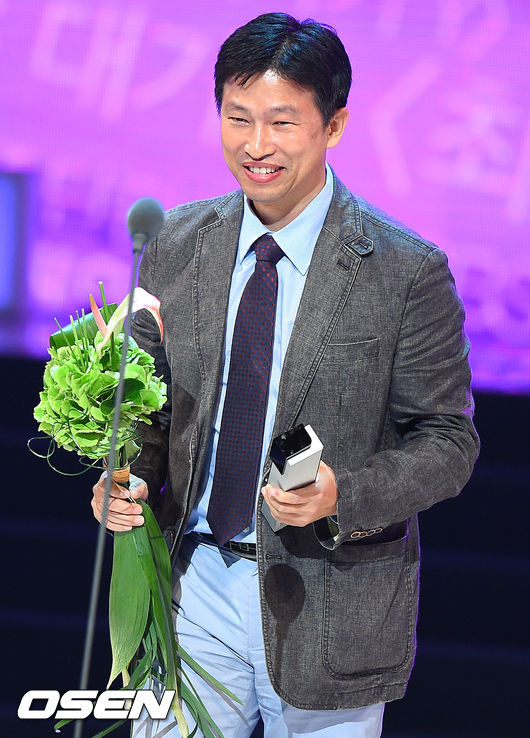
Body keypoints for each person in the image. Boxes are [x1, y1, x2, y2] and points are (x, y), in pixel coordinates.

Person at [91, 12, 479, 738]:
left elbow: (448, 441)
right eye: (237, 118)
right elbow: (150, 406)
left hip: (329, 601)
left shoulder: (404, 271)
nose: (256, 145)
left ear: (334, 125)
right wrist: (128, 476)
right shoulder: (177, 242)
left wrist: (343, 495)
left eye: (282, 122)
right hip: (190, 587)